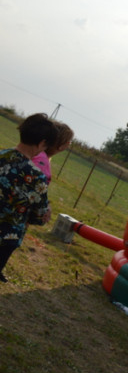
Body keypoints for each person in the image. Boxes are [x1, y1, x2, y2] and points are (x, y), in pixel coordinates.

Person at [0, 113, 58, 282]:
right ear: (42, 143)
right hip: (6, 238)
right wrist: (46, 211)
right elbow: (39, 217)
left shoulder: (1, 155)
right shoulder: (36, 176)